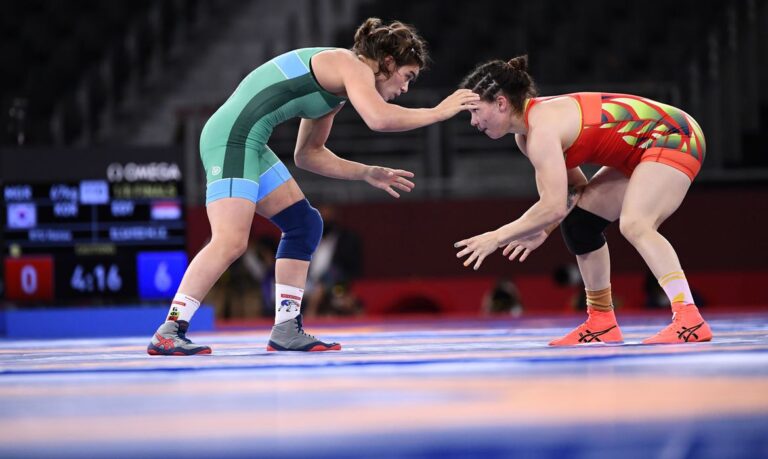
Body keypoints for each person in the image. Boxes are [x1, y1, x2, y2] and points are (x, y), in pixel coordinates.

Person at [147, 18, 479, 355]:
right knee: (231, 241)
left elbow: (308, 155)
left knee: (303, 224)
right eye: (407, 77)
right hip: (232, 139)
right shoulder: (349, 64)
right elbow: (379, 118)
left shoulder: (336, 93)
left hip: (249, 143)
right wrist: (438, 111)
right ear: (388, 63)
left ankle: (286, 328)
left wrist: (365, 172)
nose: (405, 88)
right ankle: (171, 327)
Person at [454, 56, 712, 346]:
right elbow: (574, 188)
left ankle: (689, 318)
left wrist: (496, 237)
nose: (474, 122)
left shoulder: (542, 131)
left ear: (501, 103)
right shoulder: (527, 137)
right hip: (639, 148)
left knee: (636, 224)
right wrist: (544, 229)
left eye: (475, 111)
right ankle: (601, 321)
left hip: (675, 135)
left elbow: (551, 205)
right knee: (580, 224)